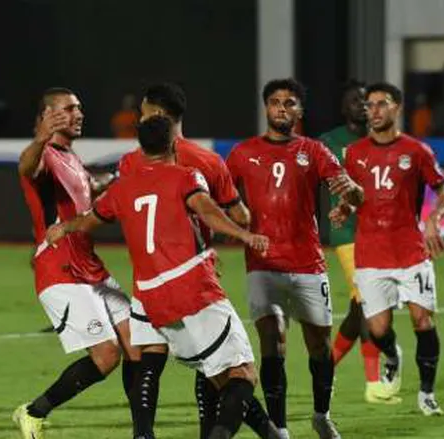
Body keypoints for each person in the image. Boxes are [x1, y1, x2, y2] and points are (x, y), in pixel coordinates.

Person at [47, 115, 277, 439]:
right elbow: (206, 209)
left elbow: (87, 220)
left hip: (150, 298)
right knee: (243, 375)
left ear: (140, 147)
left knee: (205, 373)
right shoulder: (186, 176)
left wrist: (63, 227)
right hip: (191, 289)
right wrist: (244, 234)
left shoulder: (123, 187)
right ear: (173, 144)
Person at [117, 83, 273, 439]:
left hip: (148, 277)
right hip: (193, 277)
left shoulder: (132, 162)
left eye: (144, 112)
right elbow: (241, 215)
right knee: (217, 363)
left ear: (158, 116)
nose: (140, 117)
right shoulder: (209, 161)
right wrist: (225, 231)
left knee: (148, 359)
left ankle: (142, 434)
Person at [226, 78, 364, 439]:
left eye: (289, 103)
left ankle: (321, 415)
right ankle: (281, 428)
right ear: (266, 107)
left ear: (300, 111)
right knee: (273, 341)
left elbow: (352, 193)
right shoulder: (242, 153)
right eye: (275, 102)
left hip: (307, 264)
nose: (281, 108)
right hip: (262, 263)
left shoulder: (314, 151)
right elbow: (219, 198)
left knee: (319, 345)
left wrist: (351, 197)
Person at [14, 87, 140, 439]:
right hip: (61, 270)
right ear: (48, 116)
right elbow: (26, 167)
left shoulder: (71, 158)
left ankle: (142, 431)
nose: (78, 114)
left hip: (91, 267)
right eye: (69, 109)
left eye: (79, 108)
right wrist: (41, 137)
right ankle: (33, 411)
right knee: (106, 356)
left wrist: (116, 179)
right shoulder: (45, 156)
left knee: (138, 346)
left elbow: (90, 189)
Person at [335, 82, 444, 417]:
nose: (373, 110)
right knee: (377, 329)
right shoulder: (354, 153)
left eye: (381, 104)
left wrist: (434, 220)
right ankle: (392, 355)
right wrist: (345, 207)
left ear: (397, 108)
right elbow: (354, 196)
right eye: (369, 105)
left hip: (410, 251)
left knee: (422, 320)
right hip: (371, 253)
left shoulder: (417, 151)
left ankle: (426, 393)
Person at [320, 80, 398, 404]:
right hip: (347, 234)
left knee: (357, 310)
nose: (362, 106)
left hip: (377, 233)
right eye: (355, 101)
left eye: (366, 101)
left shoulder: (380, 141)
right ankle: (373, 384)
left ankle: (325, 369)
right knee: (369, 303)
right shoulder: (329, 142)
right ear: (343, 108)